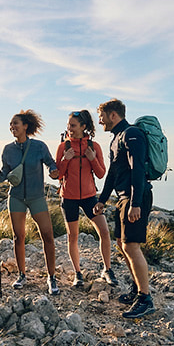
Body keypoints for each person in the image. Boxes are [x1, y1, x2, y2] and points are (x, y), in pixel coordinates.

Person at [93, 99, 155, 319]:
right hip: (122, 198)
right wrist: (102, 199)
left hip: (133, 197)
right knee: (122, 244)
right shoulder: (116, 139)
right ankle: (138, 289)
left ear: (112, 115)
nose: (99, 121)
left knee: (130, 246)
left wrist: (135, 203)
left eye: (101, 116)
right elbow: (112, 173)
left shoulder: (132, 134)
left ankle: (145, 299)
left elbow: (137, 169)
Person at [0, 110, 61, 295]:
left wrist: (54, 171)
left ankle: (51, 277)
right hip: (16, 197)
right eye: (11, 125)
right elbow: (5, 174)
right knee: (18, 237)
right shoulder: (8, 149)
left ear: (25, 126)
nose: (12, 127)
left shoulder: (39, 146)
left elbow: (50, 163)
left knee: (47, 235)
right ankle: (22, 275)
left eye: (15, 124)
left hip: (36, 196)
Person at [55, 110, 117, 288]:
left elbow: (101, 173)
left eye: (73, 126)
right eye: (68, 125)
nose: (70, 129)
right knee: (72, 236)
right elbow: (58, 175)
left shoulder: (94, 147)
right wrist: (66, 160)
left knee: (104, 233)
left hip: (90, 196)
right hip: (69, 198)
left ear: (84, 127)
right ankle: (78, 274)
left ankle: (107, 269)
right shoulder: (63, 147)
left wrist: (92, 159)